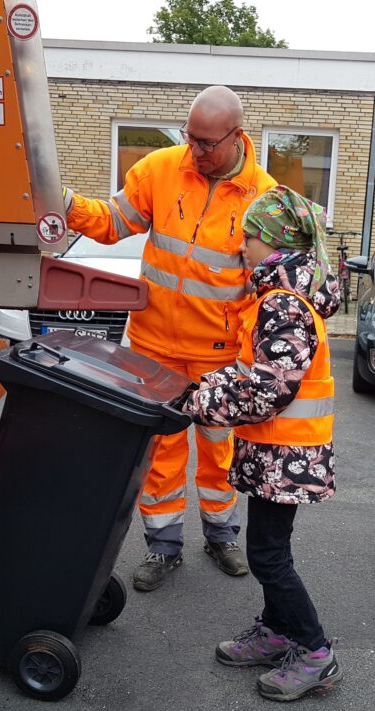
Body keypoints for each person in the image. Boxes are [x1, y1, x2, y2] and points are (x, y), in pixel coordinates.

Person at [64, 86, 276, 591]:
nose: (194, 151)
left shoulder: (264, 198)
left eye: (206, 143)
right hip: (153, 345)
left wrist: (250, 358)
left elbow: (263, 288)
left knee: (220, 449)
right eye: (190, 138)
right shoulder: (161, 169)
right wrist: (67, 204)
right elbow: (113, 222)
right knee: (160, 451)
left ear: (236, 136)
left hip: (219, 354)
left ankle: (221, 536)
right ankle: (163, 546)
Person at [186, 186, 342, 702]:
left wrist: (200, 404)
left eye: (250, 235)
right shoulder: (273, 298)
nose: (242, 245)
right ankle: (277, 631)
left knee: (268, 557)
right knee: (271, 549)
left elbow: (269, 389)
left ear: (275, 243)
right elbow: (251, 371)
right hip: (275, 452)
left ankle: (315, 652)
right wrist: (206, 387)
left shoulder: (283, 304)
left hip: (287, 454)